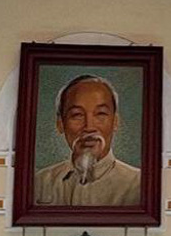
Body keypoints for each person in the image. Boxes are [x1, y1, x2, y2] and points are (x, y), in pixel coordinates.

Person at [32, 74, 144, 207]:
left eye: (100, 114)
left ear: (115, 122)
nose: (89, 127)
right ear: (60, 124)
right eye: (77, 115)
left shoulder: (138, 184)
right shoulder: (40, 183)